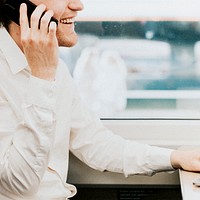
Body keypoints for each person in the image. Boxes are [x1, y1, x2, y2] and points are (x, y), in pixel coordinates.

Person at [0, 0, 200, 200]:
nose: (78, 5)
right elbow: (19, 185)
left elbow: (94, 143)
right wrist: (42, 78)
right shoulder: (39, 70)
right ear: (18, 6)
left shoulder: (53, 65)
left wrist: (175, 158)